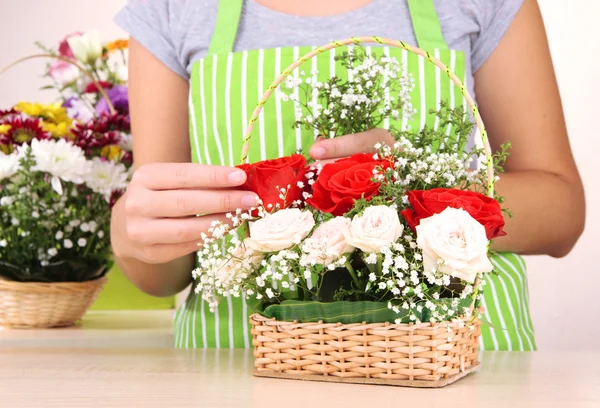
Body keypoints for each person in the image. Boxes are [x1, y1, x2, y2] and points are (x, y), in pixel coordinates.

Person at [111, 0, 585, 349]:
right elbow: (164, 272)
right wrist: (134, 236)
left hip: (457, 367)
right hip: (235, 371)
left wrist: (404, 190)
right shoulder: (173, 8)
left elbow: (561, 212)